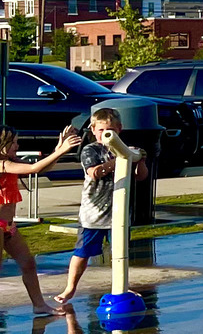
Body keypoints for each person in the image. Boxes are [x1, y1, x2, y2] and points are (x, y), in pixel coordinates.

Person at [0, 125, 82, 324]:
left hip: (8, 225)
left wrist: (58, 149)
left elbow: (41, 168)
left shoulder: (10, 162)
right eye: (13, 143)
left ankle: (38, 305)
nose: (17, 146)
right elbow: (33, 168)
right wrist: (63, 150)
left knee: (28, 264)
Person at [51, 108, 149, 308]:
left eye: (111, 129)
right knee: (83, 251)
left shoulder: (126, 149)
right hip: (93, 213)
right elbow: (94, 172)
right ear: (93, 130)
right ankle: (70, 287)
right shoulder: (91, 150)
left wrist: (140, 160)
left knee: (121, 251)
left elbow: (141, 176)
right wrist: (121, 159)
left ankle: (122, 285)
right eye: (102, 130)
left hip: (119, 212)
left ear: (120, 129)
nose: (107, 134)